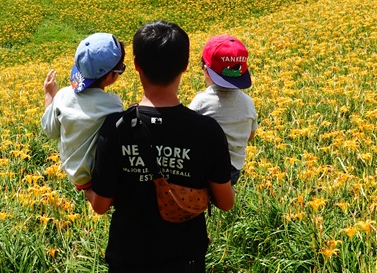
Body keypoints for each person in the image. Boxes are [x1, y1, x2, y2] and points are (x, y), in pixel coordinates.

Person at [85, 20, 234, 273]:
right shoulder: (207, 131)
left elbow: (100, 206)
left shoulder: (115, 127)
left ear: (135, 65)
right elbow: (226, 202)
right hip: (185, 258)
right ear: (186, 66)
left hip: (128, 259)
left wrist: (81, 183)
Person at [41, 32, 126, 190]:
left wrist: (49, 95)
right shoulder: (113, 103)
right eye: (121, 69)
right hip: (98, 176)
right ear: (110, 77)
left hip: (72, 174)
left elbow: (50, 131)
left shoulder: (62, 96)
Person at [189, 34, 258, 185]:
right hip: (233, 171)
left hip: (206, 169)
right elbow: (250, 135)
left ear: (206, 69)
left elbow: (187, 134)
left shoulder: (201, 101)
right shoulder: (248, 102)